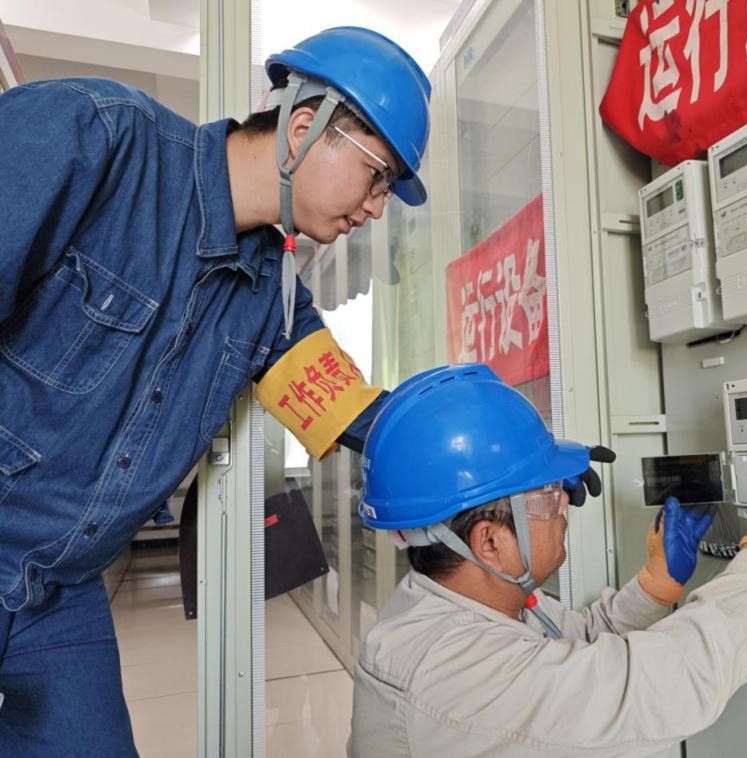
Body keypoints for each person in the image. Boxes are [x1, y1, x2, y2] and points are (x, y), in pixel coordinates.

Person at [0, 26, 438, 756]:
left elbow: (356, 412)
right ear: (307, 128)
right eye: (378, 176)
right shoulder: (97, 137)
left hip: (59, 588)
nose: (375, 209)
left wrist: (516, 454)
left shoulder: (271, 302)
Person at [349, 364, 747, 757]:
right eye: (546, 497)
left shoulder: (458, 606)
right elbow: (667, 685)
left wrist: (654, 586)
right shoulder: (456, 673)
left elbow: (570, 645)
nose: (566, 505)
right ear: (490, 543)